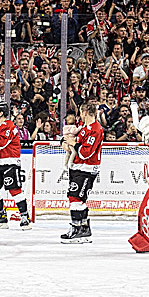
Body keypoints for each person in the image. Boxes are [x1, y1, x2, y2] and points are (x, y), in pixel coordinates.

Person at [0, 109, 31, 229]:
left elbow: (1, 143)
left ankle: (24, 216)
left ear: (1, 112)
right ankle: (1, 216)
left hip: (10, 162)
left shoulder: (9, 125)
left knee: (14, 190)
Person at [60, 103, 103, 243]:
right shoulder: (84, 127)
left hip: (87, 169)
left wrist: (74, 143)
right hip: (78, 167)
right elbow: (75, 143)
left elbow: (86, 153)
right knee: (79, 198)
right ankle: (84, 228)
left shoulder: (96, 129)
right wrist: (66, 142)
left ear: (84, 112)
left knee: (75, 198)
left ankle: (76, 228)